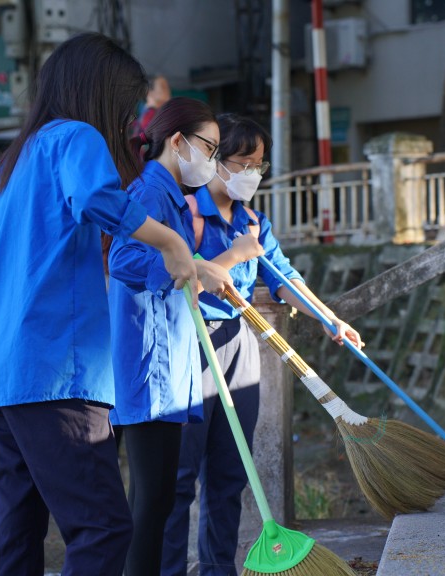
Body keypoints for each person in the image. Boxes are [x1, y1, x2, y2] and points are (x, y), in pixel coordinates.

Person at [0, 33, 208, 576]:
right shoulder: (74, 137)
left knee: (16, 530)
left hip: (7, 379)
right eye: (126, 106)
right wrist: (171, 242)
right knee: (102, 527)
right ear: (100, 93)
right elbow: (98, 199)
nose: (127, 122)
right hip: (58, 374)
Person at [161, 114, 364, 576]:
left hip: (239, 345)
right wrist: (234, 255)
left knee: (230, 474)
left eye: (258, 164)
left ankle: (218, 570)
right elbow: (186, 279)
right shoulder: (186, 214)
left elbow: (283, 277)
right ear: (216, 161)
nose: (251, 173)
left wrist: (330, 318)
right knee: (180, 476)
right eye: (241, 162)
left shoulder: (253, 219)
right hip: (191, 346)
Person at [108, 97, 234, 576]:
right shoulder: (149, 193)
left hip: (166, 363)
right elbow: (122, 261)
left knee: (151, 499)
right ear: (177, 141)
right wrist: (192, 264)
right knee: (154, 502)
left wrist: (198, 271)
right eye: (210, 147)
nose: (213, 161)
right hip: (150, 365)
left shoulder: (171, 197)